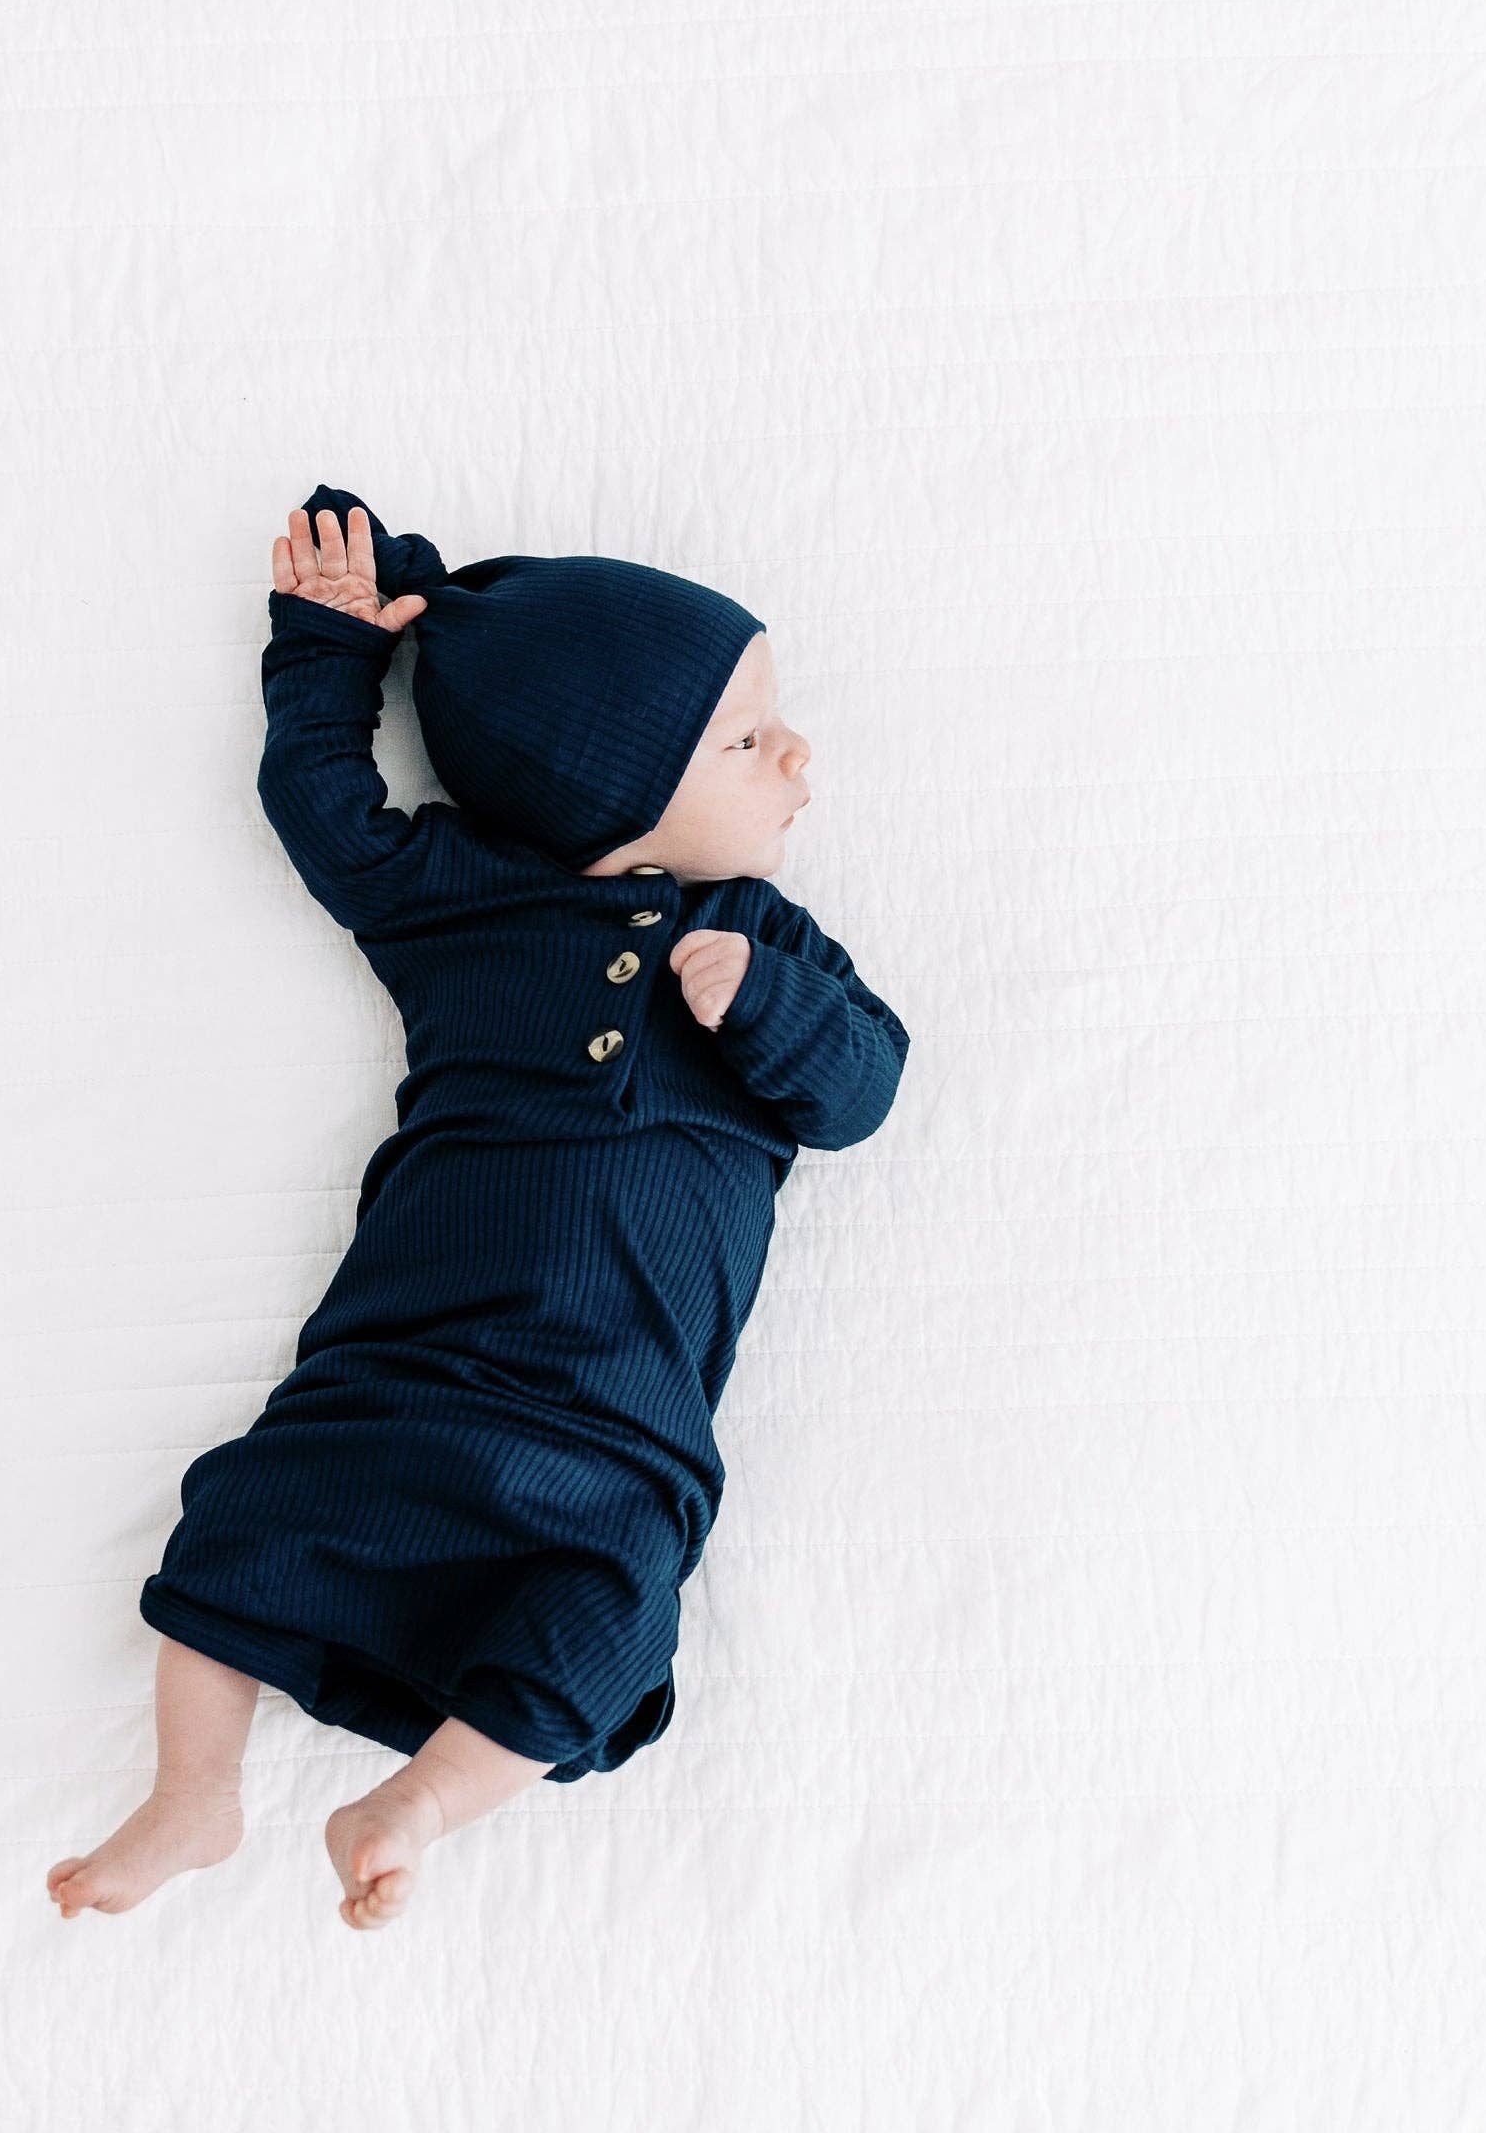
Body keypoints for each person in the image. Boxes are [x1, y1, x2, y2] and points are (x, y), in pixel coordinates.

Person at [47, 490, 909, 1931]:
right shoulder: (464, 900)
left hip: (620, 1426)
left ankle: (417, 1804)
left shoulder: (765, 937)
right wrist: (328, 652)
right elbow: (325, 805)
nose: (796, 754)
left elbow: (864, 1090)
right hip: (409, 1360)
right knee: (248, 1516)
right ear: (604, 785)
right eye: (746, 739)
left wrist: (771, 1009)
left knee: (612, 1621)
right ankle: (192, 1791)